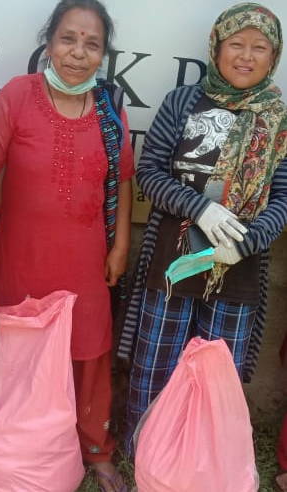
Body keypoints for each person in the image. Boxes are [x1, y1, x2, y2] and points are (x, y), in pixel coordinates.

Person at [117, 2, 287, 455]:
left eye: (260, 47)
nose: (246, 55)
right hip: (173, 262)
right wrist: (202, 209)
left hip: (239, 268)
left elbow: (284, 198)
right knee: (154, 362)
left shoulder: (278, 121)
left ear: (275, 56)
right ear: (216, 48)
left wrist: (248, 241)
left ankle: (200, 462)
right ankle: (146, 456)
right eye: (236, 44)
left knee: (218, 374)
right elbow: (150, 173)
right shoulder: (183, 102)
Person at [0, 1, 134, 490]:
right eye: (68, 39)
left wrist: (119, 248)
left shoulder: (111, 112)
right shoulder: (17, 96)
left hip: (87, 259)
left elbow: (125, 181)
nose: (78, 53)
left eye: (92, 44)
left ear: (103, 54)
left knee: (88, 352)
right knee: (20, 352)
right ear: (48, 43)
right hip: (20, 257)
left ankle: (95, 447)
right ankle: (15, 441)